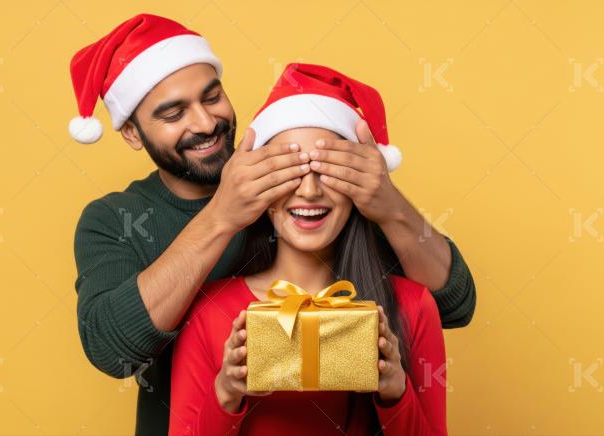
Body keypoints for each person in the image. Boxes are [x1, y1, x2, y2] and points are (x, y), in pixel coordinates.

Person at [70, 14, 473, 435]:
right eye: (173, 113)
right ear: (132, 132)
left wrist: (389, 204)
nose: (206, 123)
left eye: (212, 97)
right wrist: (222, 216)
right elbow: (114, 352)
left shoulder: (311, 199)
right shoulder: (115, 219)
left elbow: (450, 304)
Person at [168, 64, 447, 436]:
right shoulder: (209, 311)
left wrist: (396, 393)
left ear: (359, 186)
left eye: (329, 169)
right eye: (290, 170)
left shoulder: (412, 307)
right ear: (259, 190)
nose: (310, 191)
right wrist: (225, 394)